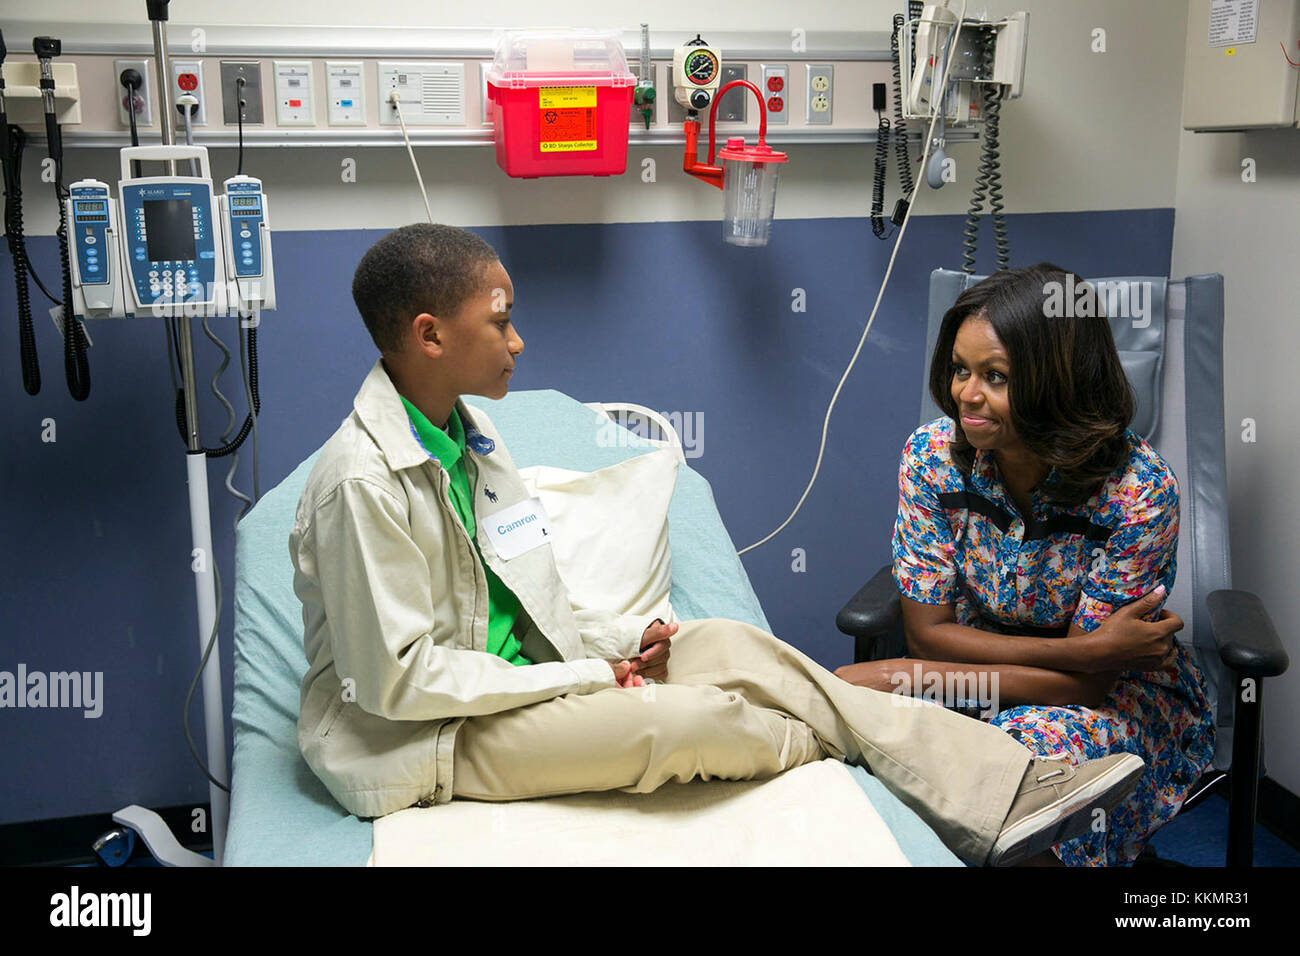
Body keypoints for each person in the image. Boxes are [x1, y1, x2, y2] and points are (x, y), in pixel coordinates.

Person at [290, 226, 1145, 867]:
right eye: (501, 322)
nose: (518, 342)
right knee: (689, 721)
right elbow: (400, 682)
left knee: (734, 646)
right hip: (421, 737)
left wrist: (619, 645)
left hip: (528, 682)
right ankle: (890, 758)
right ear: (432, 335)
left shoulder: (471, 437)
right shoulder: (362, 484)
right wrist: (591, 678)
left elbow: (523, 596)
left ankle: (1002, 786)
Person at [835, 264, 1215, 866]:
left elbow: (1089, 686)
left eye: (996, 377)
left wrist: (903, 674)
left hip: (1107, 700)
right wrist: (1082, 650)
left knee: (1010, 771)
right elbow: (926, 632)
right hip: (978, 668)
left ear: (1060, 384)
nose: (966, 394)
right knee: (847, 724)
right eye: (961, 369)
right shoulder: (932, 457)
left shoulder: (1137, 491)